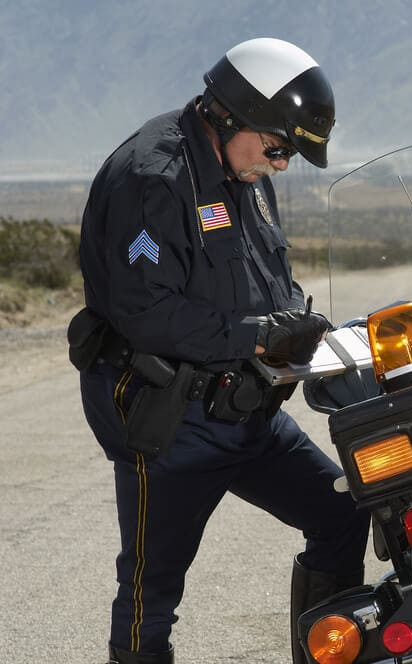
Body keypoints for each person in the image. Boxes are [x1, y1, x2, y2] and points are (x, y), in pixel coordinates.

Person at [71, 37, 370, 664]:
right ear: (233, 113)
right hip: (173, 421)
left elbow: (266, 277)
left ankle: (327, 653)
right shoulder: (152, 179)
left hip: (249, 413)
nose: (283, 164)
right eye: (279, 147)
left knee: (343, 513)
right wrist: (258, 336)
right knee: (151, 594)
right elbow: (145, 312)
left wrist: (307, 331)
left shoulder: (245, 167)